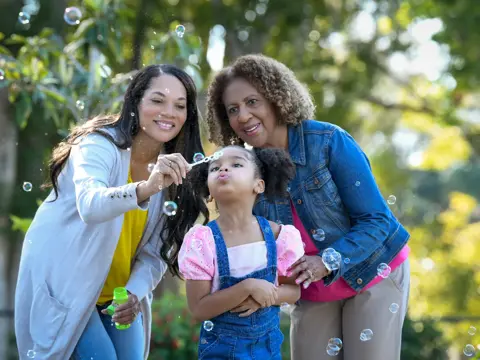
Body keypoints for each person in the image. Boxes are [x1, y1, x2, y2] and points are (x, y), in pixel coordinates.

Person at [205, 54, 411, 360]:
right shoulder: (246, 170)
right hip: (311, 289)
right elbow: (247, 240)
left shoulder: (328, 141)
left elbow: (377, 220)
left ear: (276, 98)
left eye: (252, 102)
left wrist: (327, 261)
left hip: (372, 271)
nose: (243, 116)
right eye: (233, 109)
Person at [14, 64, 209, 360]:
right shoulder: (98, 145)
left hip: (116, 294)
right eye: (157, 100)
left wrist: (134, 292)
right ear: (136, 102)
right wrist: (147, 186)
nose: (169, 112)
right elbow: (90, 205)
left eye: (179, 106)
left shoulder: (174, 170)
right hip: (67, 285)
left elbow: (155, 254)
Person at [179, 145, 305, 359]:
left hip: (267, 349)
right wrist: (248, 287)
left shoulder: (279, 236)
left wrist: (262, 298)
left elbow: (294, 291)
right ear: (208, 191)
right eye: (215, 167)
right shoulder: (202, 241)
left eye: (236, 164)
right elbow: (199, 308)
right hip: (221, 352)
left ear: (259, 185)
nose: (223, 170)